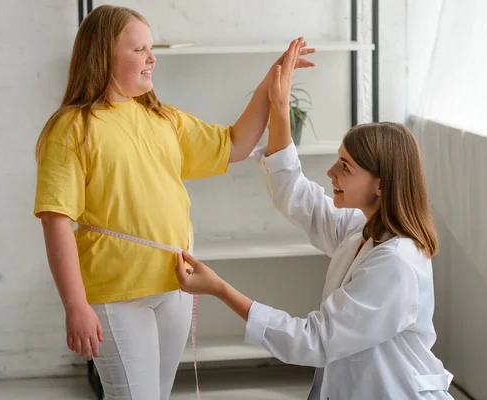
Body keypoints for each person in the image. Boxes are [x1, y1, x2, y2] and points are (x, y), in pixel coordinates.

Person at [33, 4, 315, 399]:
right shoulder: (72, 128)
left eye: (151, 48)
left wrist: (273, 82)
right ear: (102, 56)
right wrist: (76, 306)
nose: (152, 58)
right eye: (138, 50)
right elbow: (55, 220)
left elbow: (235, 144)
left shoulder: (163, 118)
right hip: (115, 295)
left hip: (175, 287)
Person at [175, 39, 454, 399]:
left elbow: (314, 340)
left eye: (345, 167)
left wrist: (220, 289)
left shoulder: (396, 265)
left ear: (381, 186)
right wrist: (277, 106)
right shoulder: (362, 230)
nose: (330, 171)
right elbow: (293, 192)